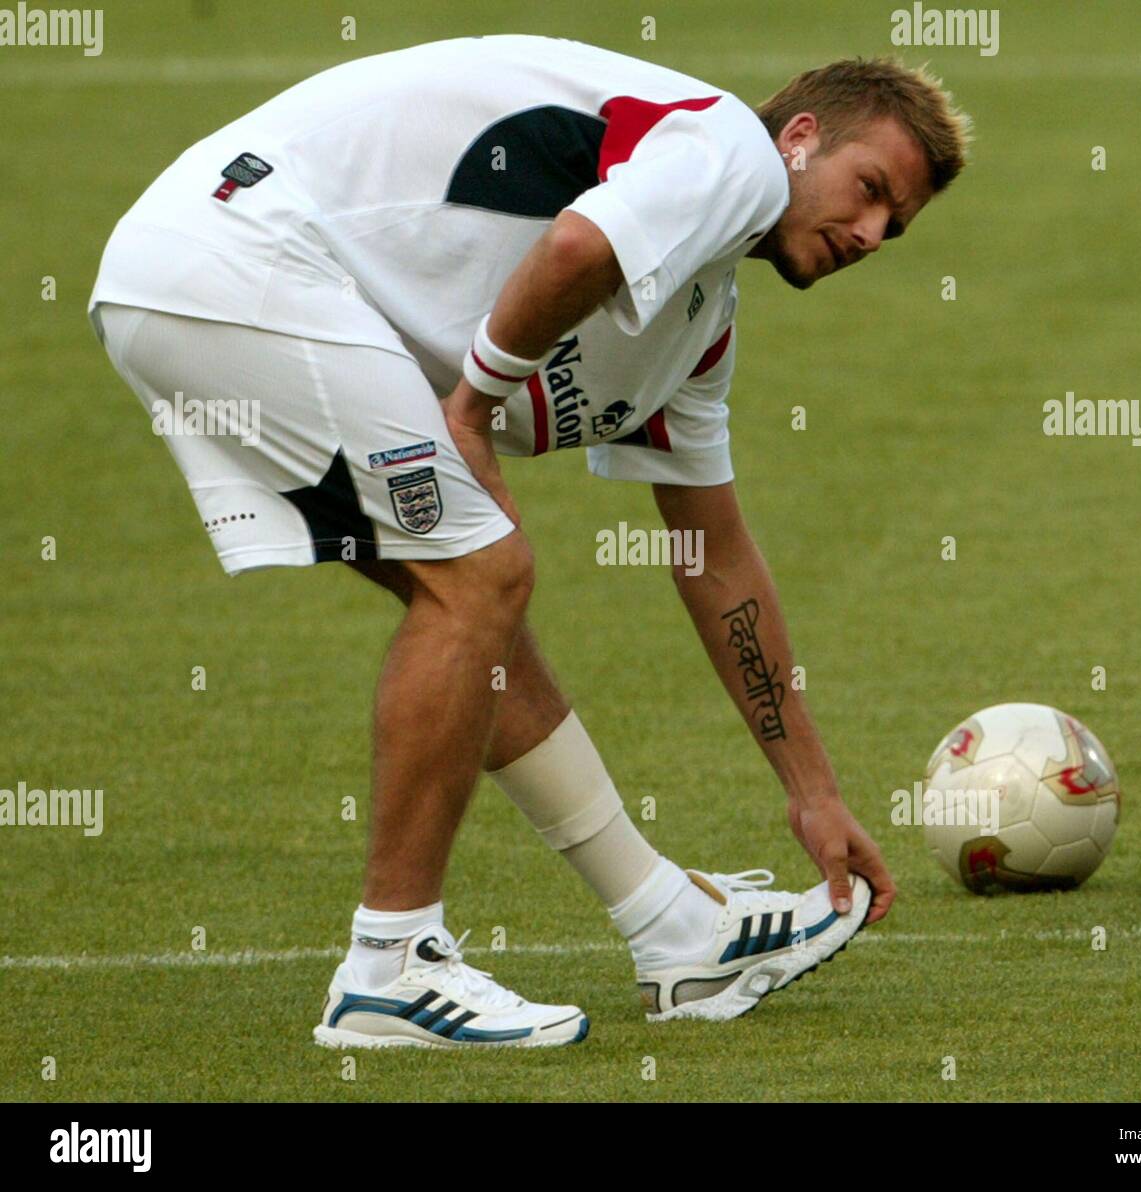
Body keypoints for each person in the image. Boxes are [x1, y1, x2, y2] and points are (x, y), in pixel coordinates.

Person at [89, 35, 969, 1048]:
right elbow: (575, 249)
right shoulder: (733, 151)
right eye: (868, 189)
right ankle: (388, 969)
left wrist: (812, 793)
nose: (870, 232)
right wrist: (473, 408)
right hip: (237, 258)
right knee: (481, 579)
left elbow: (715, 557)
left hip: (198, 275)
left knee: (476, 605)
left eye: (894, 225)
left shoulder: (699, 319)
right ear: (801, 138)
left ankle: (674, 929)